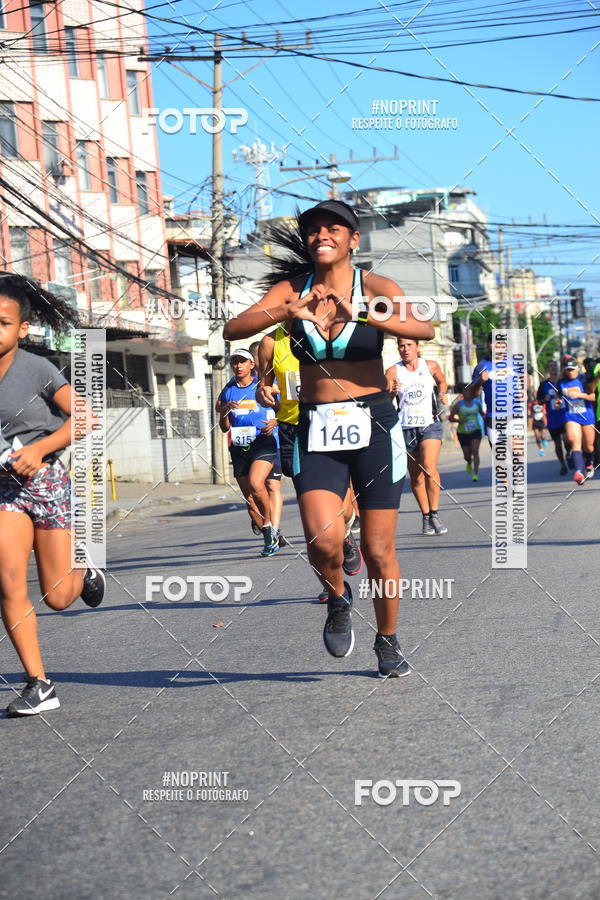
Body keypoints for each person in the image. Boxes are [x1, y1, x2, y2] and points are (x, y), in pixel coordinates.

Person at [224, 199, 434, 677]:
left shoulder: (375, 286)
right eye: (314, 228)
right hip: (315, 426)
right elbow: (232, 327)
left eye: (334, 228)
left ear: (353, 239)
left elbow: (423, 326)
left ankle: (388, 640)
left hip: (376, 424)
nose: (323, 234)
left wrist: (364, 312)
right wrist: (284, 311)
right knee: (322, 540)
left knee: (379, 551)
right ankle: (338, 597)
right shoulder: (289, 290)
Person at [0, 273, 105, 717]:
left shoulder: (36, 368)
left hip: (45, 483)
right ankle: (38, 683)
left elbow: (86, 418)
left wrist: (41, 448)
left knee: (60, 596)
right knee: (6, 578)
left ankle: (85, 564)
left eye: (2, 322)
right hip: (4, 491)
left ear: (22, 328)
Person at [257, 323, 363, 603]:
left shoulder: (326, 332)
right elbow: (262, 386)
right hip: (292, 428)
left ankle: (346, 535)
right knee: (315, 512)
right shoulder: (270, 343)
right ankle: (333, 581)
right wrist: (264, 394)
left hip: (329, 422)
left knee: (341, 504)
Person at [217, 349, 281, 556]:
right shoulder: (228, 390)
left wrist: (275, 421)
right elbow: (224, 427)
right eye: (234, 362)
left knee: (257, 483)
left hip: (263, 442)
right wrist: (225, 411)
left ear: (251, 364)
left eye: (242, 361)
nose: (238, 365)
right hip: (239, 447)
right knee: (250, 501)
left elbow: (282, 409)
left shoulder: (262, 385)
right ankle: (268, 536)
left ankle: (270, 525)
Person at [386, 338, 449, 535]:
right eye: (401, 346)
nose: (405, 349)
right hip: (405, 428)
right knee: (416, 477)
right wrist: (391, 392)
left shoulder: (430, 365)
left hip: (429, 424)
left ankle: (435, 514)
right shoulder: (393, 371)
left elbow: (442, 381)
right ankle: (425, 515)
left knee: (429, 468)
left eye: (409, 345)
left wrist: (443, 393)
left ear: (417, 347)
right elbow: (385, 400)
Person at [558, 359, 596, 484]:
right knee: (574, 441)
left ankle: (589, 463)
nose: (570, 372)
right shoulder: (561, 382)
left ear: (577, 369)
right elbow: (559, 397)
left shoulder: (585, 379)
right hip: (570, 415)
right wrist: (559, 402)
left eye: (572, 369)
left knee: (589, 446)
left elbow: (594, 396)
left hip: (587, 415)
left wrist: (580, 395)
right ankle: (579, 472)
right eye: (567, 370)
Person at [537, 360, 569, 475]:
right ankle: (562, 464)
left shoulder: (564, 382)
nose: (553, 368)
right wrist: (544, 399)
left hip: (566, 416)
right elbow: (539, 401)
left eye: (555, 366)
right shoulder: (544, 385)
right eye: (550, 366)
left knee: (567, 440)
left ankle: (569, 454)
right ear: (548, 369)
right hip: (552, 418)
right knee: (557, 444)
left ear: (558, 367)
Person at [448, 386, 485, 481]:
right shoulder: (459, 405)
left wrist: (487, 418)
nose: (468, 393)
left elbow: (482, 414)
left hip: (475, 430)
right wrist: (459, 420)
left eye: (469, 391)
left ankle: (475, 474)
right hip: (462, 432)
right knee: (467, 455)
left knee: (475, 451)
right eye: (465, 391)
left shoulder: (477, 403)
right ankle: (469, 462)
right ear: (463, 394)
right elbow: (450, 417)